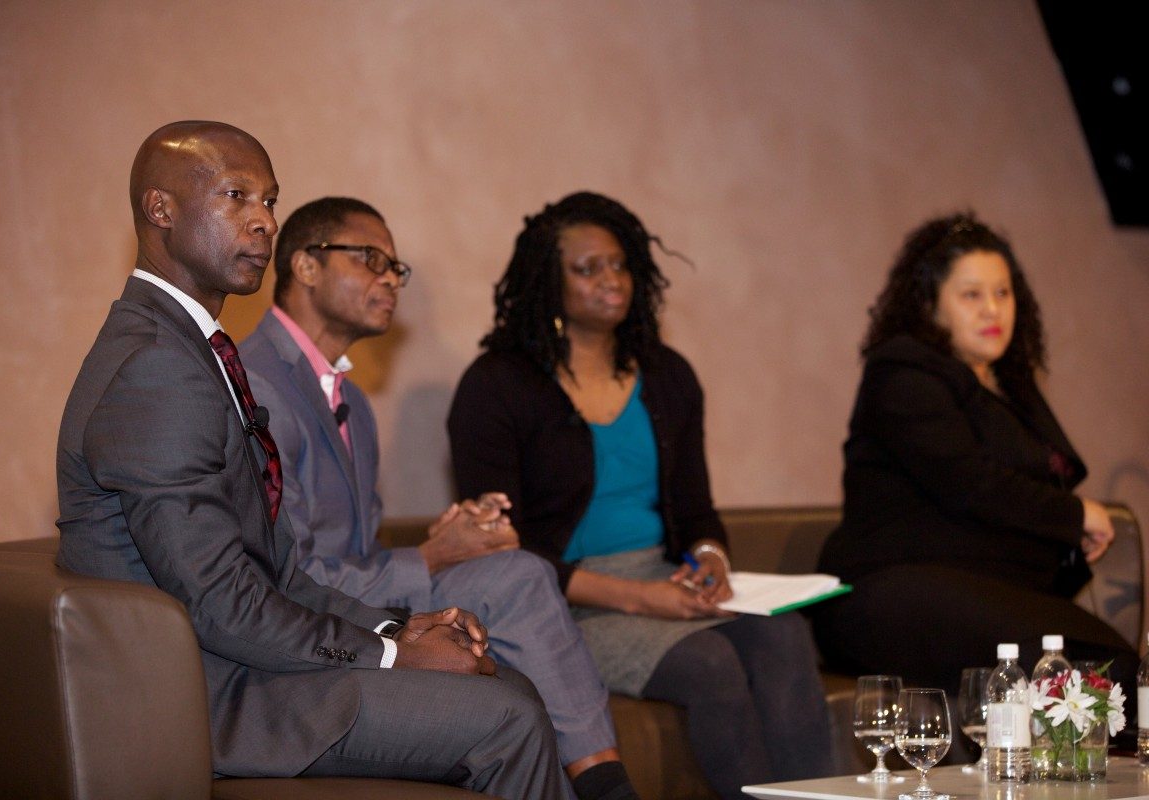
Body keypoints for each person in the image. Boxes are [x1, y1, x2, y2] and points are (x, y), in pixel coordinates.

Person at [55, 120, 566, 799]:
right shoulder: (156, 366)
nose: (264, 221)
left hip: (242, 665)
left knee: (505, 683)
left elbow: (277, 572)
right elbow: (219, 603)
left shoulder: (188, 350)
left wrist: (400, 625)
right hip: (207, 696)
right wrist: (392, 655)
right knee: (509, 716)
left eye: (269, 200)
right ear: (161, 210)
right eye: (236, 196)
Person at [239, 196, 639, 800]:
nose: (389, 280)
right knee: (513, 590)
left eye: (395, 269)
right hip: (297, 633)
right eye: (370, 259)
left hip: (350, 604)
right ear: (305, 266)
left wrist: (454, 543)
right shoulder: (258, 387)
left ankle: (601, 780)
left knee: (514, 573)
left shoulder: (354, 404)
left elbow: (360, 552)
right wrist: (431, 558)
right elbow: (290, 577)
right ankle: (605, 785)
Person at [446, 191, 834, 799]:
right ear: (548, 281)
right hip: (560, 603)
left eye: (620, 264)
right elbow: (499, 551)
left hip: (663, 579)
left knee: (785, 635)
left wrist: (710, 559)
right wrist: (639, 599)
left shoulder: (669, 376)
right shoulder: (496, 385)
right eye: (588, 268)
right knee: (709, 665)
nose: (613, 280)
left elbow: (698, 512)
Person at [812, 212, 1139, 701]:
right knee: (1053, 664)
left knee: (1114, 668)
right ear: (930, 306)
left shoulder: (1008, 385)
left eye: (1003, 293)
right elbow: (971, 482)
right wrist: (1073, 515)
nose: (992, 310)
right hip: (888, 592)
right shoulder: (902, 373)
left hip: (982, 591)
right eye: (972, 295)